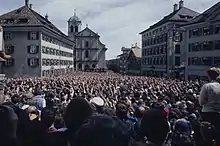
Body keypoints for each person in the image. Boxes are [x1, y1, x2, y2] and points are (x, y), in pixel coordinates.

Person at [199, 67, 220, 145]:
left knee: (206, 137)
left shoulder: (207, 86)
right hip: (218, 114)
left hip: (207, 114)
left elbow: (201, 102)